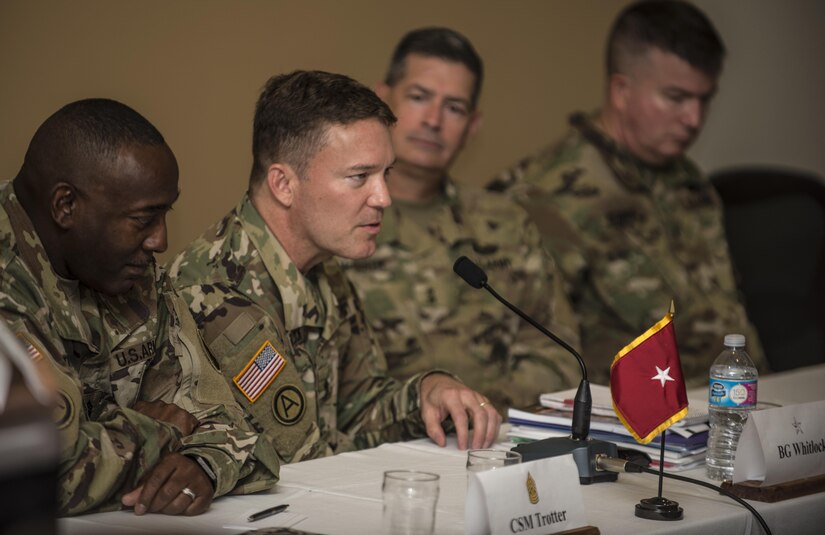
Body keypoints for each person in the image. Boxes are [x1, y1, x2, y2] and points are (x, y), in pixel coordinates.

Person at [168, 70, 501, 465]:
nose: (383, 198)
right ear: (283, 185)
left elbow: (354, 409)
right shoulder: (212, 289)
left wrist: (428, 392)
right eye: (360, 177)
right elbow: (296, 458)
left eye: (385, 174)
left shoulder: (324, 269)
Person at [0, 99, 279, 516]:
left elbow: (238, 429)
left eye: (165, 214)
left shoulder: (130, 273)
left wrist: (201, 463)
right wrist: (161, 429)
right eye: (143, 218)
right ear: (65, 206)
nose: (160, 242)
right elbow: (40, 473)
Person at [488, 0, 767, 386]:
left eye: (705, 99)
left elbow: (728, 312)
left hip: (729, 407)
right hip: (630, 426)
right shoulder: (545, 194)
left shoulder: (689, 180)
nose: (694, 119)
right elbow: (531, 354)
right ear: (621, 90)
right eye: (676, 98)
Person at [339, 27, 580, 410]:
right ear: (381, 101)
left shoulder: (505, 222)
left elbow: (559, 353)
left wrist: (477, 407)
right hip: (381, 445)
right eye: (419, 98)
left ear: (473, 126)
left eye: (454, 108)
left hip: (495, 437)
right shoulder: (337, 217)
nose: (434, 120)